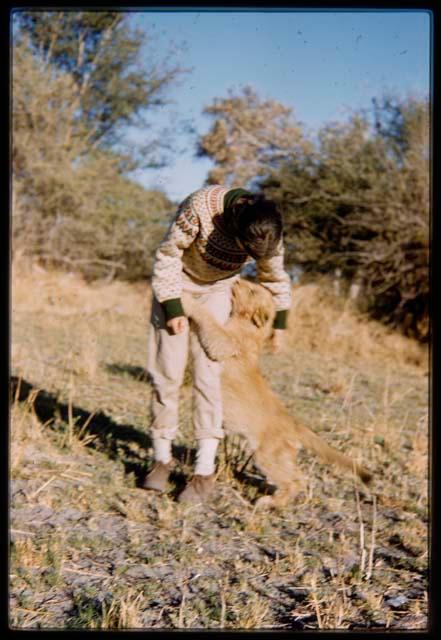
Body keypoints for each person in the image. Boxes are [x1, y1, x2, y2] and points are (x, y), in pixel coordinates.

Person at [143, 184, 292, 504]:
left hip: (217, 291)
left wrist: (279, 324)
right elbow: (168, 255)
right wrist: (172, 307)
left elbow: (274, 275)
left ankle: (204, 470)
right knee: (166, 373)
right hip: (177, 285)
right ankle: (161, 458)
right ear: (235, 225)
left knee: (208, 375)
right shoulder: (199, 207)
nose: (251, 258)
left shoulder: (268, 230)